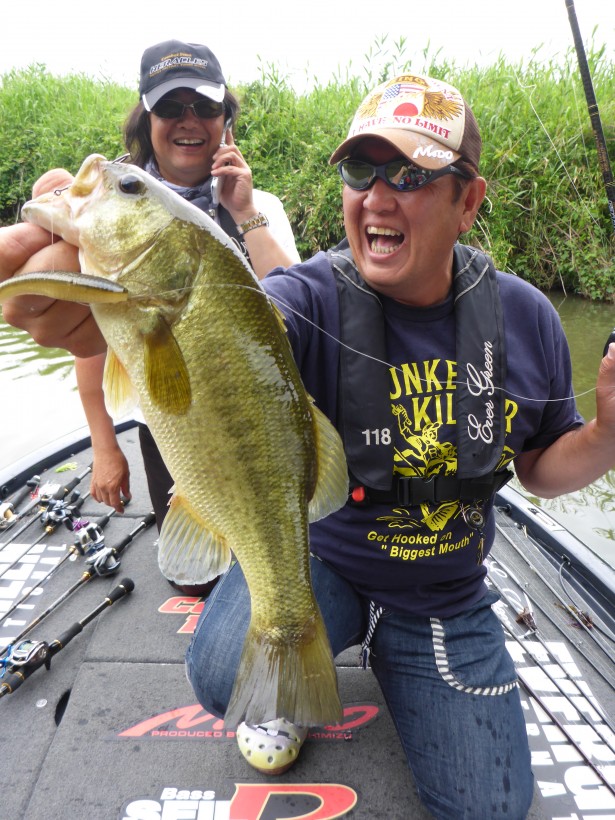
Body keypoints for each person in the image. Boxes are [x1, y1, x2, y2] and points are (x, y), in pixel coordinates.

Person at [1, 72, 615, 820]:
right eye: (362, 171)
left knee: (492, 808)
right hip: (322, 558)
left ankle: (396, 650)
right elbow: (238, 327)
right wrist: (80, 309)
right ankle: (307, 657)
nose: (378, 196)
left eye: (413, 175)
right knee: (226, 670)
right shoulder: (310, 295)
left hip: (443, 590)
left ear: (469, 202)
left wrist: (606, 433)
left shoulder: (524, 317)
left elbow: (542, 472)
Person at [37, 40, 301, 595]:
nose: (189, 121)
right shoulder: (114, 207)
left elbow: (296, 321)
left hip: (257, 428)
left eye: (205, 107)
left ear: (226, 121)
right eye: (170, 107)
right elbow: (96, 342)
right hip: (171, 432)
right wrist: (105, 447)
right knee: (201, 585)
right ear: (146, 117)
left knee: (270, 561)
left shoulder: (261, 207)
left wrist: (245, 213)